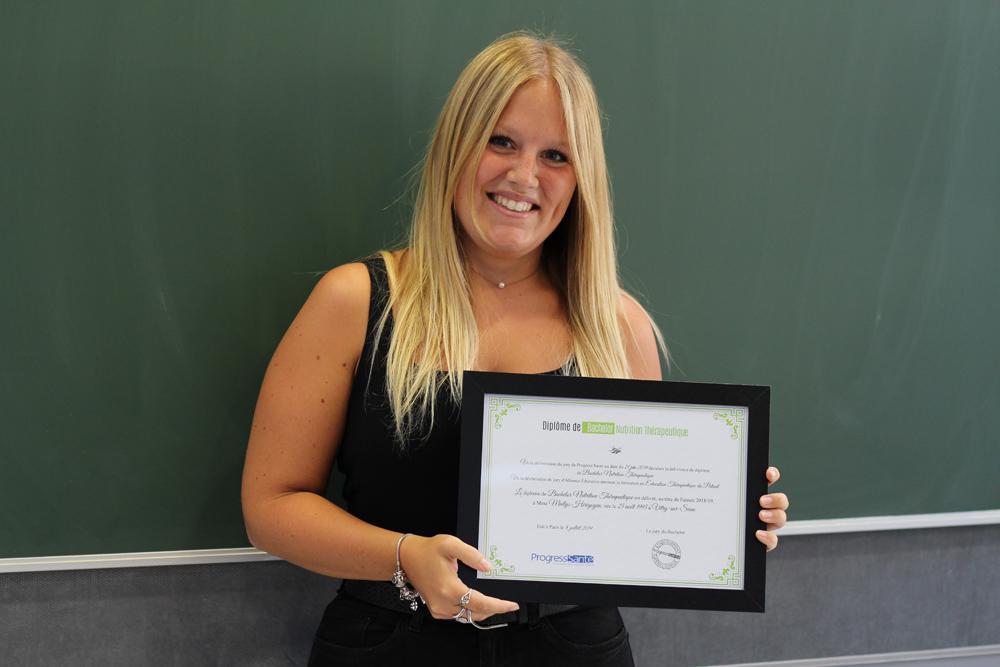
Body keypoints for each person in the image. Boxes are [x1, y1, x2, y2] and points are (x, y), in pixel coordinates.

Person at [241, 32, 789, 666]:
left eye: (556, 155)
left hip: (576, 649)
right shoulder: (356, 302)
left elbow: (642, 512)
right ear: (456, 145)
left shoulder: (617, 326)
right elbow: (271, 507)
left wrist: (728, 517)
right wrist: (404, 556)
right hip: (389, 643)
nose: (524, 176)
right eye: (501, 141)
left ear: (581, 180)